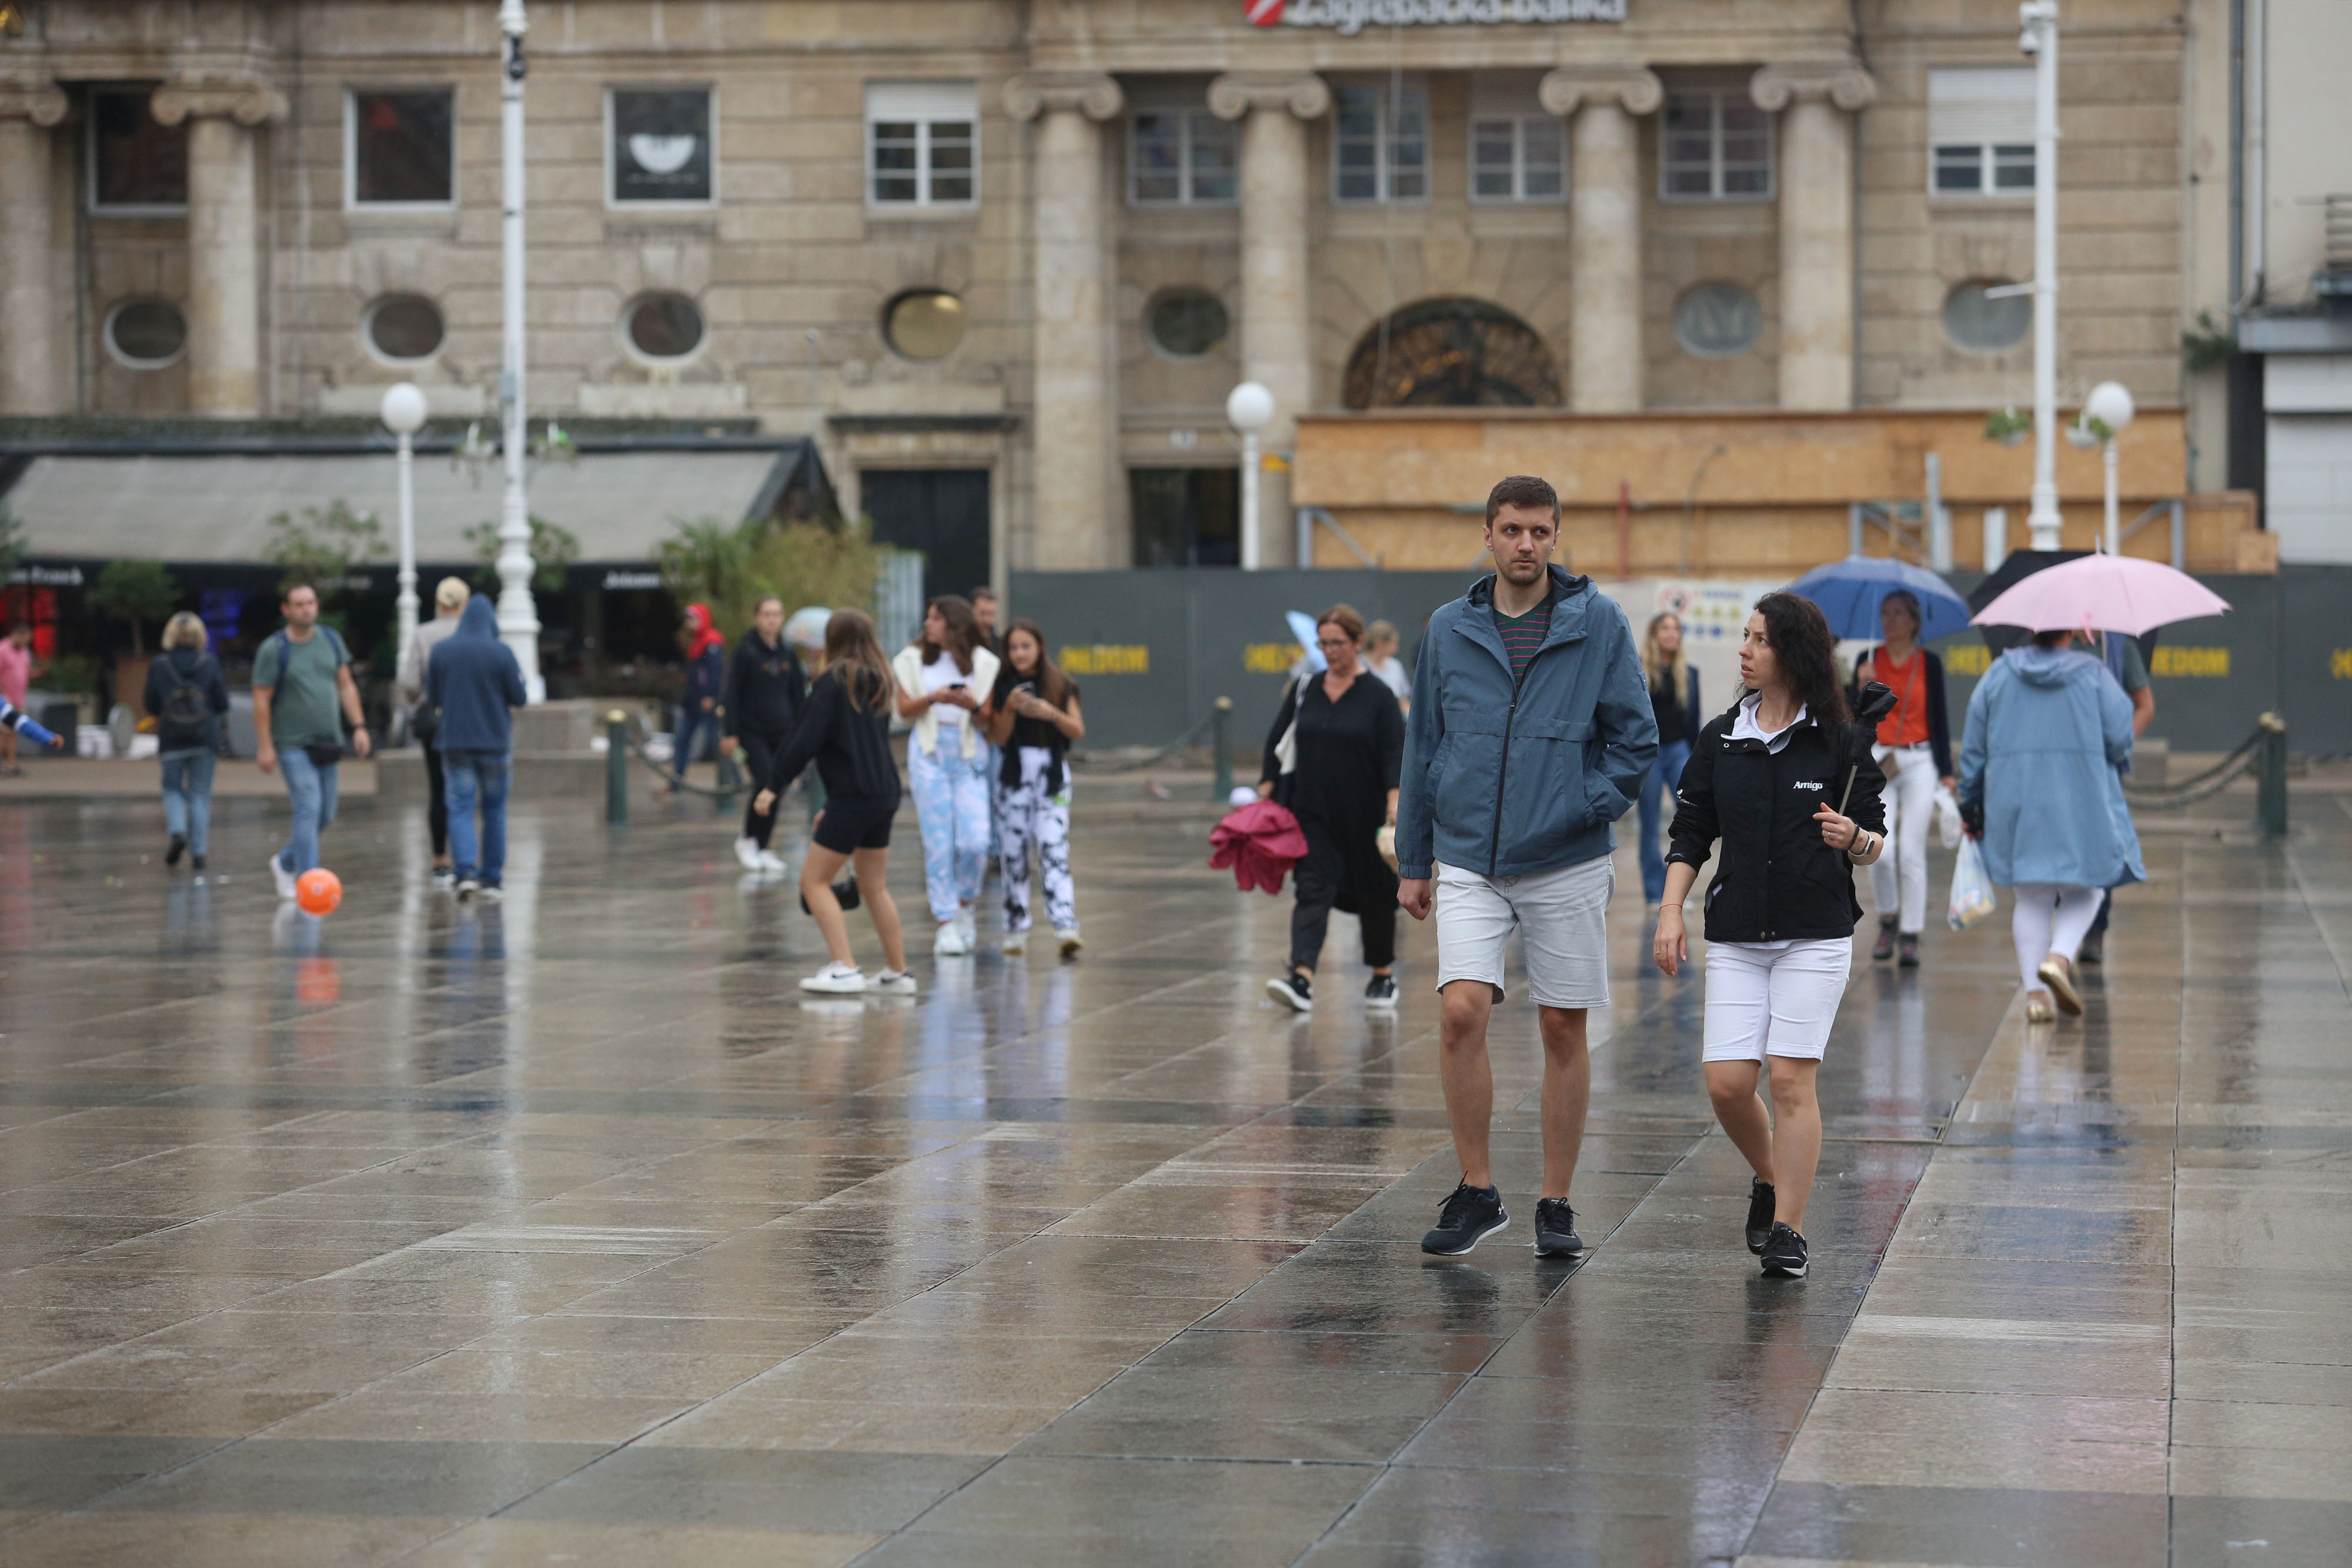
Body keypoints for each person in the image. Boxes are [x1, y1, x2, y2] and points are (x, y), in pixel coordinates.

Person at [1394, 474, 1658, 1259]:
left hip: (1566, 856)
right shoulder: (1448, 627)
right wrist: (1414, 857)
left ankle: (1556, 1200)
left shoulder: (1598, 621)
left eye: (1540, 531)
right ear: (1488, 534)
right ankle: (1477, 1189)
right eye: (1512, 530)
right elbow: (1423, 746)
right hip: (1470, 851)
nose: (1526, 545)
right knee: (1461, 1012)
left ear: (1556, 537)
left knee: (1561, 1025)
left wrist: (1586, 802)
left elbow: (1635, 739)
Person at [1655, 593, 1887, 1282]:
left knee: (1789, 1079)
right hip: (1735, 932)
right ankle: (1770, 1175)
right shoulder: (1721, 736)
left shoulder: (1841, 740)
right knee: (1727, 1085)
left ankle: (1788, 1227)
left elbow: (1875, 837)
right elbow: (1690, 830)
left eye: (1759, 639)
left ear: (1793, 653)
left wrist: (1856, 839)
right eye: (1745, 636)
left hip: (1813, 934)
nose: (1744, 650)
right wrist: (1671, 911)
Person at [1957, 628, 2143, 1024]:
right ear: (2072, 630)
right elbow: (2119, 739)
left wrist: (1970, 797)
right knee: (2090, 887)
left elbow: (1974, 745)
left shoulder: (1998, 674)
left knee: (2032, 896)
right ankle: (2059, 958)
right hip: (2082, 797)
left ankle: (2036, 995)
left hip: (2014, 799)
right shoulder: (2093, 674)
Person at [752, 609, 916, 996]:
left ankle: (844, 967)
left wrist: (773, 784)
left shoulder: (832, 682)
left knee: (814, 880)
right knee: (874, 886)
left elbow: (804, 738)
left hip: (854, 795)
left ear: (833, 640)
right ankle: (898, 972)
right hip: (884, 793)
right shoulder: (879, 680)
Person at [1261, 604, 1405, 1013]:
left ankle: (1382, 973)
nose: (1329, 651)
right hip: (1313, 813)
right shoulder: (1307, 687)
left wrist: (1394, 803)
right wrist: (1264, 795)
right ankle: (1301, 978)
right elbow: (1278, 741)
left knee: (1376, 894)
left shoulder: (1378, 695)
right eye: (1323, 643)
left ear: (1358, 643)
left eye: (1337, 643)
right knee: (1311, 889)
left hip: (1367, 814)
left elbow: (1395, 751)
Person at [1850, 590, 1953, 968]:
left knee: (1911, 851)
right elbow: (1852, 717)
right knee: (1880, 849)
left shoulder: (1930, 663)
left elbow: (1940, 720)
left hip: (1920, 759)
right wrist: (1859, 687)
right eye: (1885, 613)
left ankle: (1911, 933)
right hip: (1878, 759)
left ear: (1914, 621)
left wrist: (1947, 772)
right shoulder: (1868, 659)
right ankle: (1888, 918)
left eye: (1898, 614)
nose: (1890, 620)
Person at [892, 596, 1000, 955]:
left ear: (954, 625)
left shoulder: (983, 664)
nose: (928, 624)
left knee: (976, 840)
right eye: (928, 618)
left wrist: (968, 704)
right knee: (938, 843)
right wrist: (935, 698)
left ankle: (965, 904)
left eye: (936, 619)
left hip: (968, 754)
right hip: (929, 752)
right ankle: (945, 920)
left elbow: (987, 718)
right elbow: (906, 711)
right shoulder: (911, 660)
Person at [253, 582, 371, 898]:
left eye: (311, 603)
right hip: (292, 742)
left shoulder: (331, 640)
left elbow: (346, 686)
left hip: (328, 741)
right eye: (299, 604)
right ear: (286, 610)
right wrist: (265, 746)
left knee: (326, 814)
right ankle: (311, 884)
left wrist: (359, 726)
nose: (306, 609)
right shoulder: (275, 649)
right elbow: (261, 699)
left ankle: (285, 862)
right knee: (308, 806)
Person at [986, 619, 1085, 957]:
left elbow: (1077, 730)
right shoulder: (1001, 686)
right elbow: (997, 737)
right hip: (1014, 772)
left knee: (1053, 847)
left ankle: (1065, 924)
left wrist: (1050, 713)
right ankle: (1016, 927)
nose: (1019, 654)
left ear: (1040, 647)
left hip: (1052, 772)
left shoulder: (1061, 684)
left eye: (1026, 646)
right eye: (1013, 648)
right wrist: (1011, 708)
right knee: (1013, 852)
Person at [427, 593, 527, 901]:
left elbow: (433, 697)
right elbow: (520, 698)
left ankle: (466, 872)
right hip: (494, 743)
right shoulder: (501, 652)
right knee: (495, 810)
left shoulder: (442, 651)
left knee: (459, 808)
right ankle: (493, 879)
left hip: (455, 742)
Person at [2070, 629, 2154, 966]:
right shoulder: (2053, 641)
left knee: (2101, 846)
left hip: (2103, 766)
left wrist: (2120, 741)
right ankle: (2068, 926)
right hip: (2060, 765)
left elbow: (2145, 705)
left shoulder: (2119, 646)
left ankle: (2095, 929)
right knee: (2065, 847)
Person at [720, 595, 807, 874]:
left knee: (777, 787)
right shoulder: (746, 651)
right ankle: (748, 838)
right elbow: (732, 692)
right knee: (764, 779)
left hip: (783, 730)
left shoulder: (787, 652)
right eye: (767, 614)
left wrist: (802, 728)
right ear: (757, 617)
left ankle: (764, 845)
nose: (772, 620)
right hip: (752, 730)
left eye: (777, 614)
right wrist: (730, 732)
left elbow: (797, 693)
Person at [396, 578, 472, 890]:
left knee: (438, 787)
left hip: (434, 719)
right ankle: (466, 858)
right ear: (464, 603)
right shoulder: (472, 634)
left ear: (439, 603)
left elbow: (408, 679)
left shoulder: (424, 634)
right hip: (468, 719)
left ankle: (441, 860)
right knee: (465, 789)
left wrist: (422, 700)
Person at [143, 611, 230, 875]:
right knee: (200, 794)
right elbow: (223, 702)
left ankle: (178, 831)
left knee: (172, 789)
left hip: (171, 738)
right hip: (205, 738)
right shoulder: (210, 662)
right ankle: (199, 853)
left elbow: (150, 704)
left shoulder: (159, 665)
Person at [1636, 611, 1702, 904]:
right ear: (1655, 634)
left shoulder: (1689, 674)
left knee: (1688, 820)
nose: (1671, 634)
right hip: (1649, 755)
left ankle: (1676, 895)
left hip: (1679, 752)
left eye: (1676, 629)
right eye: (1665, 628)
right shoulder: (1638, 672)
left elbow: (1693, 722)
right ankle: (1654, 893)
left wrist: (1701, 763)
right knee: (1649, 826)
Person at [670, 603, 726, 792]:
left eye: (693, 618)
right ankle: (675, 782)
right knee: (682, 740)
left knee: (721, 742)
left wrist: (710, 696)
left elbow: (714, 673)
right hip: (692, 702)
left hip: (706, 703)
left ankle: (733, 777)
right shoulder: (696, 642)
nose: (689, 623)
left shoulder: (712, 642)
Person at [0, 621, 39, 777]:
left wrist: (34, 674)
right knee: (3, 733)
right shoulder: (2, 649)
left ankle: (10, 764)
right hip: (5, 700)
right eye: (26, 639)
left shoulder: (25, 652)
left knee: (13, 732)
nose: (27, 642)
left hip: (19, 699)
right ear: (17, 634)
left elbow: (24, 672)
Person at [1364, 619, 1412, 717]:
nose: (1396, 649)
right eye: (1394, 644)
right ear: (1380, 643)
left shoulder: (1396, 666)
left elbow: (1403, 701)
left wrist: (1411, 721)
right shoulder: (1359, 666)